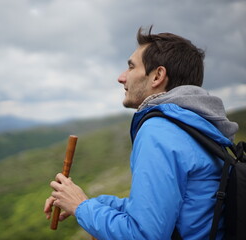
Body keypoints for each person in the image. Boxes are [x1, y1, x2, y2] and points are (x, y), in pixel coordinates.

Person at [44, 26, 239, 239]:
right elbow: (171, 212)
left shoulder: (159, 131)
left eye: (130, 67)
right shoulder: (198, 126)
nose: (121, 77)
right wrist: (87, 202)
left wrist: (81, 207)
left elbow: (143, 235)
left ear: (157, 76)